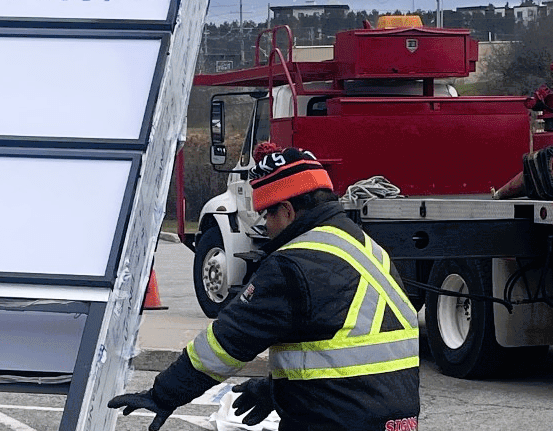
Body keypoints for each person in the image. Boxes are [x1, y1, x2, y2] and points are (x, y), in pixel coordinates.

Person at [108, 147, 421, 431]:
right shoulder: (366, 248)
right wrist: (279, 390)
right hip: (393, 418)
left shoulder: (293, 263)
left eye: (267, 214)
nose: (265, 225)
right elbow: (344, 340)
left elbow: (226, 343)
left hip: (335, 421)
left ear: (286, 210)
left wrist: (162, 395)